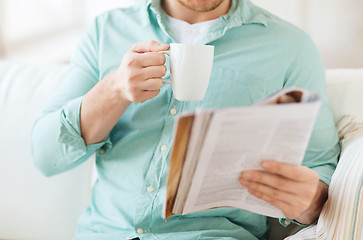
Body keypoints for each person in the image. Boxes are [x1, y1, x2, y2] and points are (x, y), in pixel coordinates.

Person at [31, 0, 340, 239]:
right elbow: (45, 156)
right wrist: (113, 91)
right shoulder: (106, 31)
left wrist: (309, 202)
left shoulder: (291, 48)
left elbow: (321, 168)